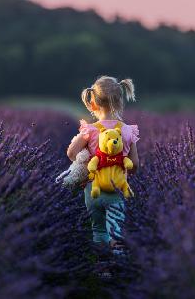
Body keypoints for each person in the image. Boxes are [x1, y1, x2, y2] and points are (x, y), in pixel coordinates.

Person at [66, 76, 140, 257]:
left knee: (99, 230)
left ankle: (102, 269)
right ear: (120, 101)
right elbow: (135, 164)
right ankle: (119, 267)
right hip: (116, 190)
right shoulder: (127, 130)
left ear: (93, 104)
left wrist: (85, 161)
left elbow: (70, 153)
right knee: (116, 231)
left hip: (93, 190)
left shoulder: (89, 130)